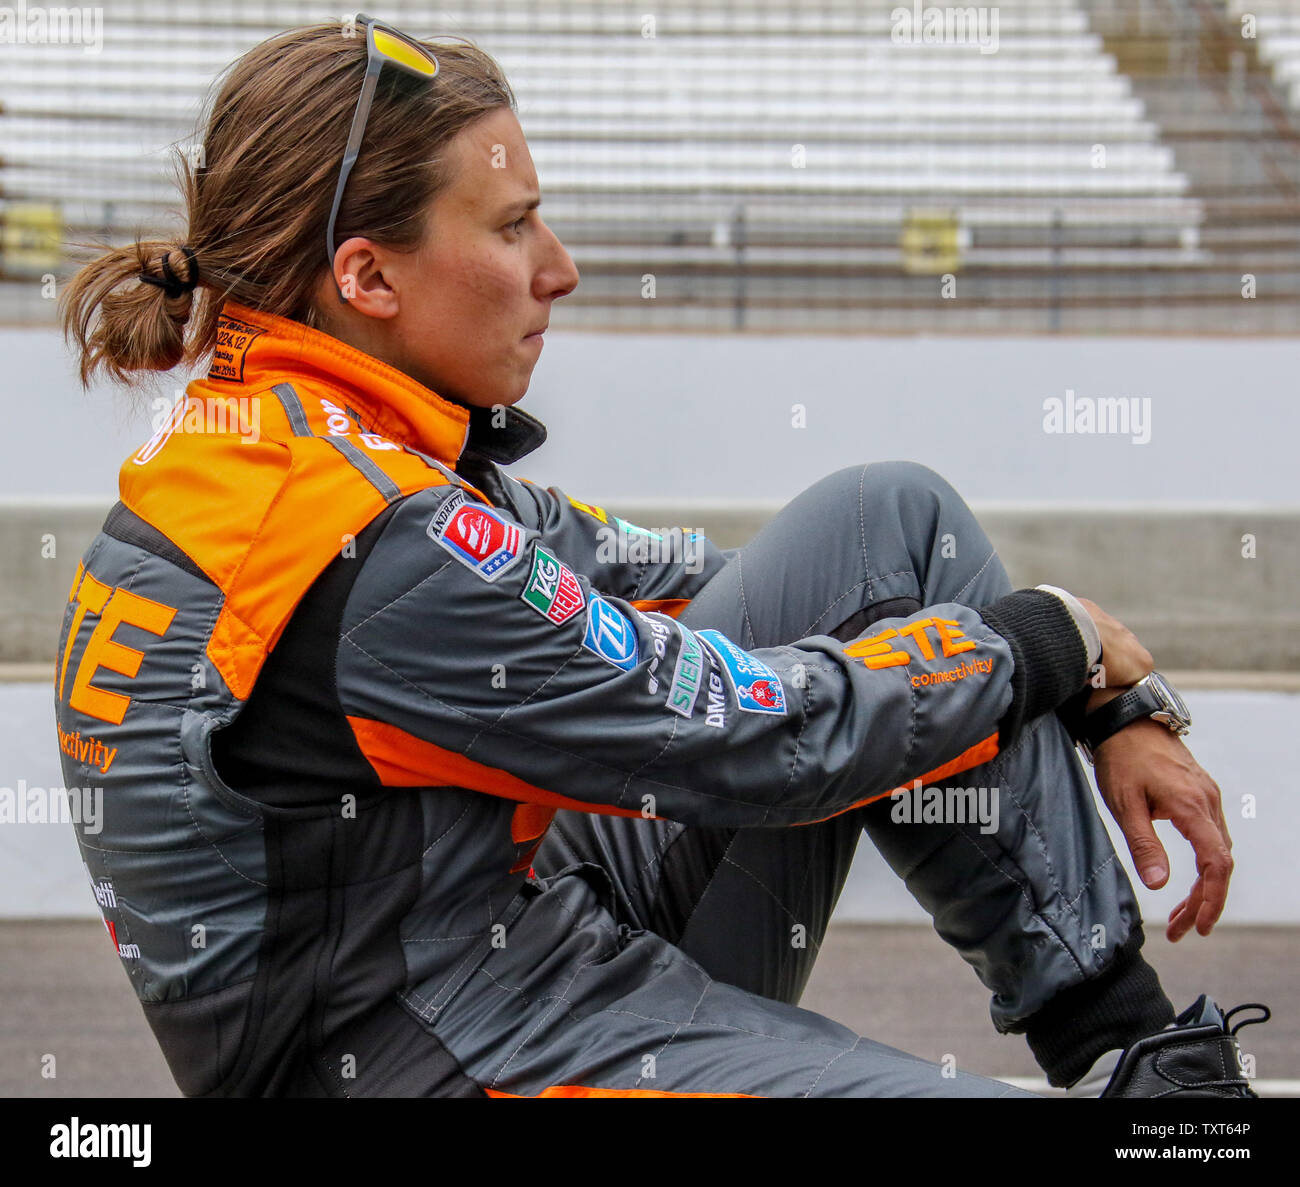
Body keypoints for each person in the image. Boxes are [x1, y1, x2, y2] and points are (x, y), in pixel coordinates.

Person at [53, 16, 1266, 1098]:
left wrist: (1099, 686)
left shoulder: (319, 457)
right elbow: (759, 734)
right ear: (366, 274)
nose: (560, 269)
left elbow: (821, 592)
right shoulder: (375, 538)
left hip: (500, 951)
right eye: (515, 225)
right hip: (442, 1051)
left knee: (886, 523)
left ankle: (1135, 1060)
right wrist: (1042, 641)